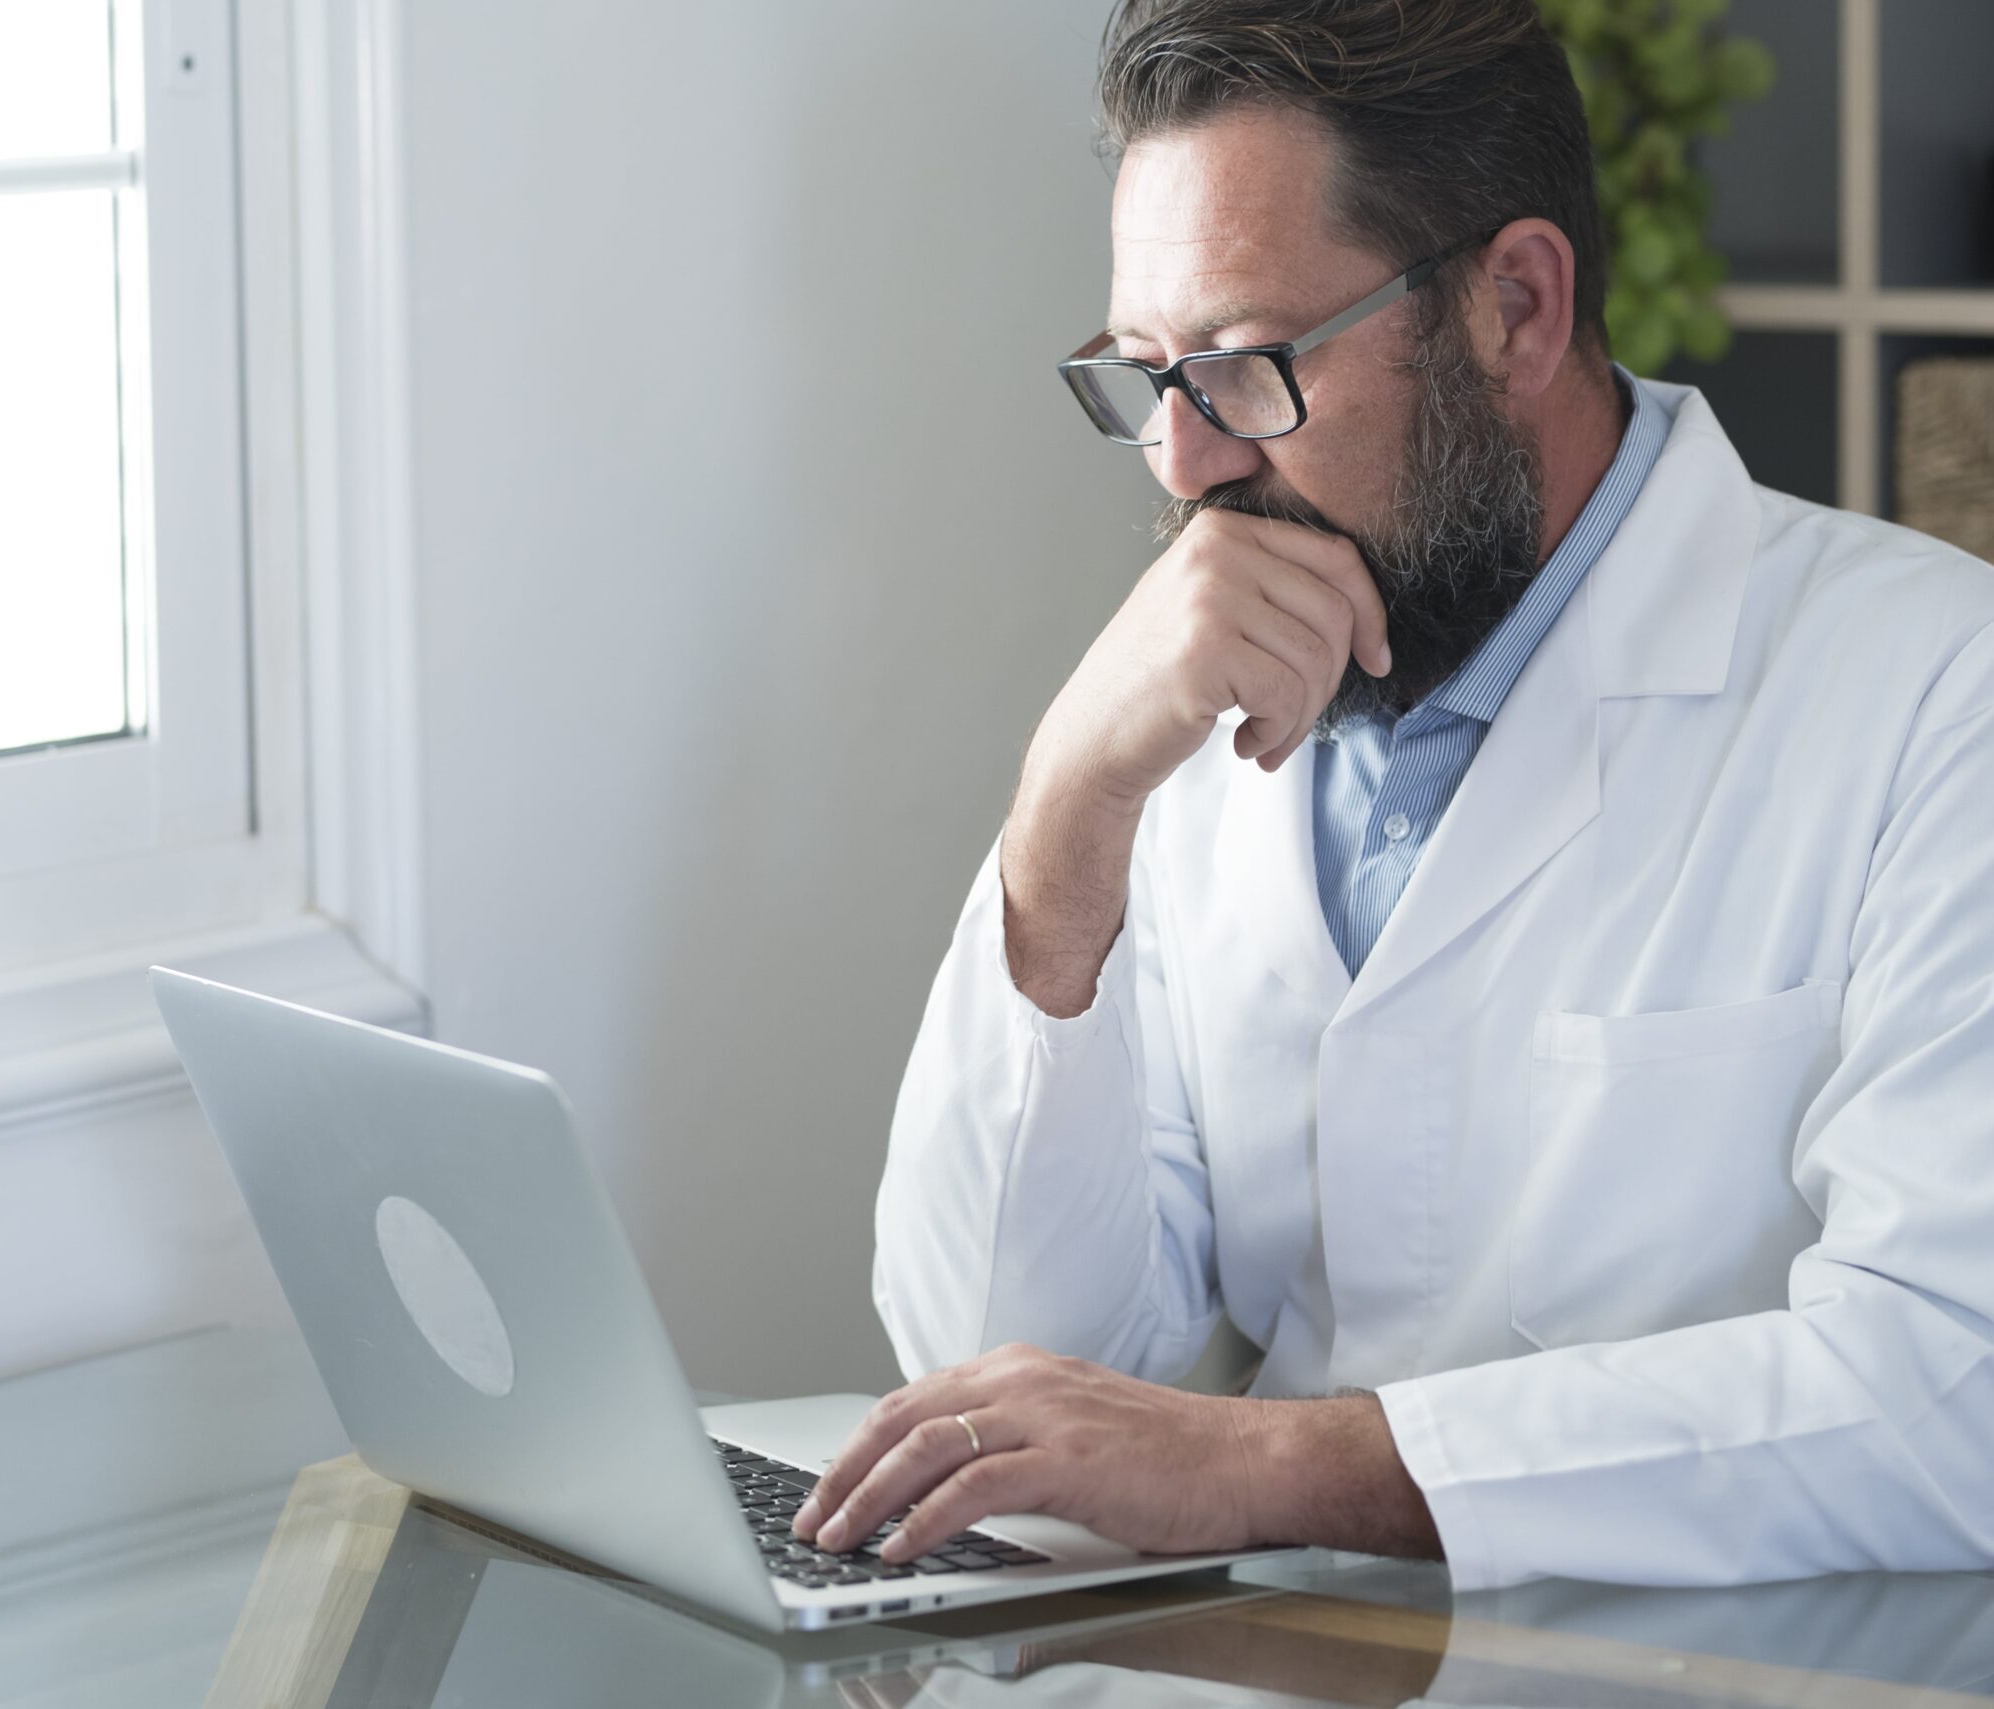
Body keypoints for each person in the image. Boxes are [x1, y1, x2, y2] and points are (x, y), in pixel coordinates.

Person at [792, 0, 1994, 1591]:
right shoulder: (1210, 714)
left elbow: (1949, 1398)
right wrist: (1067, 810)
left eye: (1243, 367)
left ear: (1517, 306)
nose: (1185, 469)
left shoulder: (1938, 697)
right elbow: (1001, 1368)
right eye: (1148, 377)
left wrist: (1260, 1463)